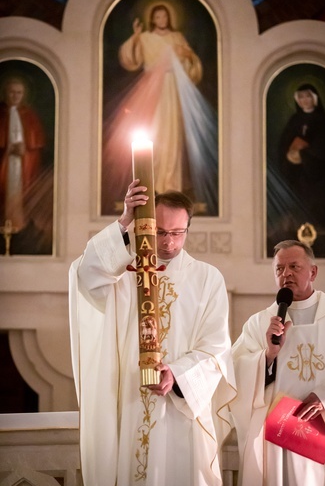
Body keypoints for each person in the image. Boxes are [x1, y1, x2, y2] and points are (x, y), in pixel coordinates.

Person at [69, 179, 236, 486]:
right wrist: (124, 220)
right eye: (160, 232)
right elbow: (85, 275)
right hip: (130, 401)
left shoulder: (207, 278)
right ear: (147, 225)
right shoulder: (124, 272)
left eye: (177, 233)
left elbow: (216, 350)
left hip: (180, 408)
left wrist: (177, 375)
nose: (169, 242)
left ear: (187, 229)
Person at [230, 239, 325, 486]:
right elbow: (235, 373)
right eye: (279, 269)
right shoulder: (259, 323)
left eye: (294, 266)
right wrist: (268, 356)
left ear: (313, 272)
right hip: (276, 437)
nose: (286, 274)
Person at [102, 3, 218, 216]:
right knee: (151, 136)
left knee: (172, 138)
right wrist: (136, 37)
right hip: (150, 91)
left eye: (165, 16)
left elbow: (192, 69)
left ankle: (171, 188)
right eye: (158, 16)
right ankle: (152, 187)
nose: (162, 19)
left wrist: (189, 56)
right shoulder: (145, 37)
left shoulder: (177, 38)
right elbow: (130, 60)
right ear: (153, 19)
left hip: (172, 90)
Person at [278, 83, 325, 232]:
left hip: (320, 176)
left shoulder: (323, 120)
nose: (304, 100)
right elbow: (284, 144)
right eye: (300, 97)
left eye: (307, 96)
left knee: (319, 206)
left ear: (315, 98)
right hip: (298, 173)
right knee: (299, 206)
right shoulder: (294, 120)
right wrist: (290, 154)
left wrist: (304, 154)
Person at [0, 75, 46, 231]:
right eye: (12, 92)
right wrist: (7, 149)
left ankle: (22, 224)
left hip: (22, 165)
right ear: (5, 93)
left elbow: (36, 145)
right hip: (5, 163)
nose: (15, 96)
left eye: (19, 92)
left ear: (24, 94)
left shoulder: (30, 115)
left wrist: (25, 151)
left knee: (22, 192)